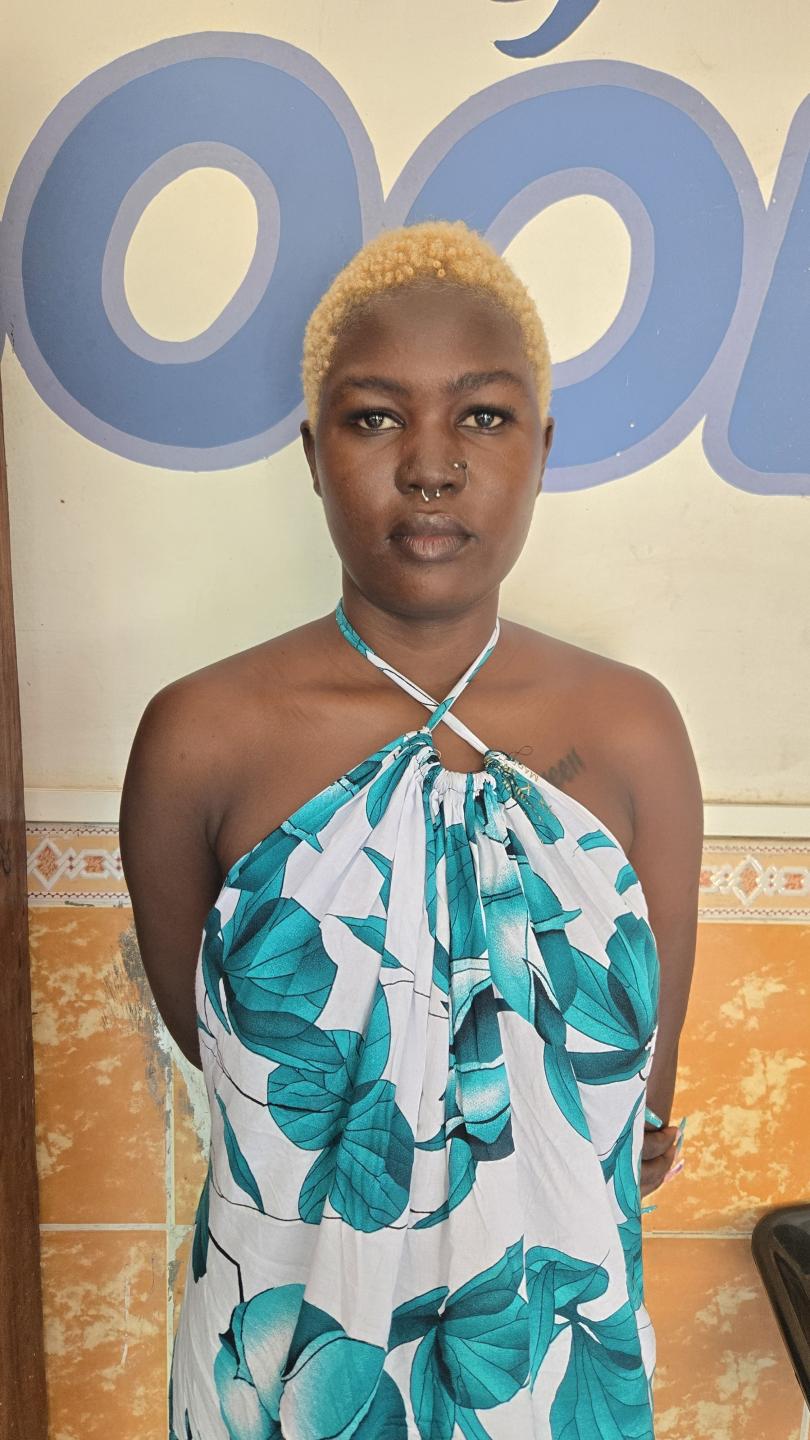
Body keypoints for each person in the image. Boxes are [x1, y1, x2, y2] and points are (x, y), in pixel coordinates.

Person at [120, 219, 703, 1439]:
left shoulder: (634, 734)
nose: (431, 467)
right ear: (312, 451)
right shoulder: (200, 741)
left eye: (483, 416)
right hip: (283, 1377)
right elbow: (221, 1056)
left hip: (552, 1387)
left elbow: (640, 1108)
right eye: (375, 417)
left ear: (542, 448)